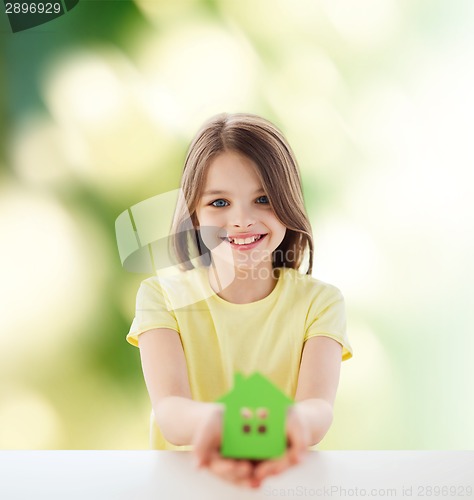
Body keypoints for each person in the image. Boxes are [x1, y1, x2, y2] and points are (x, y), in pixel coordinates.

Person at [126, 113, 353, 488]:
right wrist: (221, 425)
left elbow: (317, 410)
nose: (242, 220)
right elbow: (170, 411)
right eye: (219, 203)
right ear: (194, 215)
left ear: (288, 202)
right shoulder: (161, 298)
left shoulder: (321, 303)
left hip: (284, 485)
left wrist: (292, 424)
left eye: (262, 199)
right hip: (186, 489)